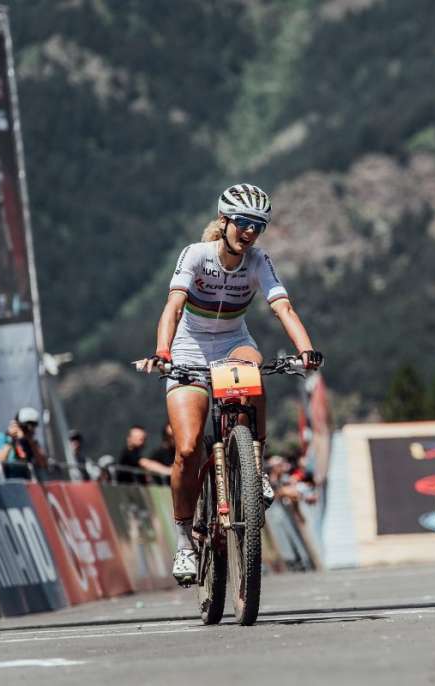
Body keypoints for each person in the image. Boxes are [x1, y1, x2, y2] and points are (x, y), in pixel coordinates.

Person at [135, 183, 323, 585]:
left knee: (252, 375)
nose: (251, 232)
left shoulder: (258, 260)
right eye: (244, 223)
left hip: (234, 342)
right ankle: (185, 540)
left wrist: (306, 349)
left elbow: (282, 307)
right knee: (187, 449)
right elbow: (173, 306)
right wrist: (163, 352)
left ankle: (254, 467)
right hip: (188, 345)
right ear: (224, 221)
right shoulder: (197, 255)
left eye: (259, 225)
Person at [0, 407, 47, 480]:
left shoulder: (32, 444)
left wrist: (30, 441)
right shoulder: (2, 438)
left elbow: (43, 464)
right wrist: (11, 440)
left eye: (32, 426)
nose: (27, 429)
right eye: (24, 426)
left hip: (24, 486)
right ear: (16, 424)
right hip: (1, 485)